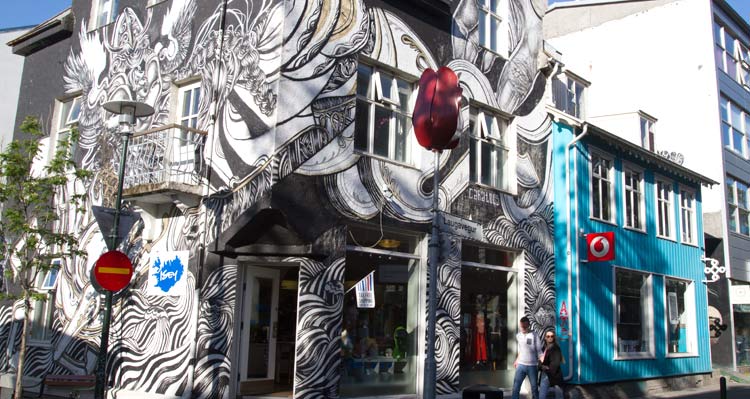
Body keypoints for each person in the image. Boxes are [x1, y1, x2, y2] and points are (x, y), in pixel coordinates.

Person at [512, 316, 542, 399]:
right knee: (516, 387)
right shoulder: (518, 336)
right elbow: (521, 350)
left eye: (525, 326)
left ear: (529, 325)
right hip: (521, 365)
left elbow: (539, 351)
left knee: (534, 388)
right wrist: (517, 360)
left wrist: (543, 362)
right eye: (521, 326)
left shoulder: (534, 335)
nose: (523, 328)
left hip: (532, 366)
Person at [538, 331, 564, 399]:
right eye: (548, 336)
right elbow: (540, 360)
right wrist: (541, 366)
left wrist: (547, 369)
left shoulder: (556, 348)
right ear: (545, 338)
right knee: (542, 395)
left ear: (554, 337)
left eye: (552, 336)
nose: (550, 338)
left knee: (559, 395)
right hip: (545, 374)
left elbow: (556, 362)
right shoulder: (544, 348)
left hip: (554, 374)